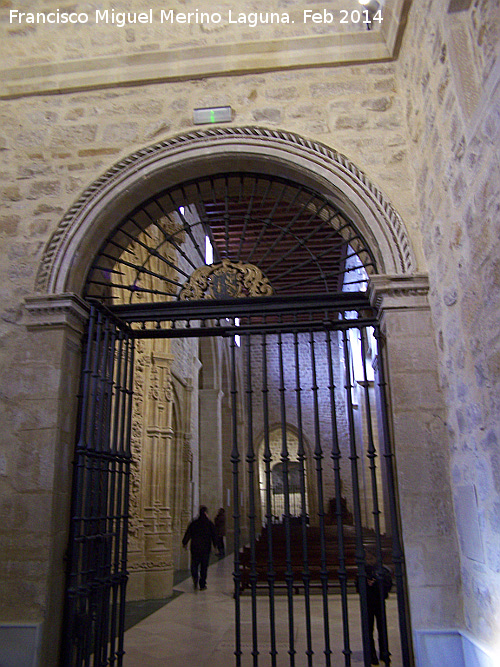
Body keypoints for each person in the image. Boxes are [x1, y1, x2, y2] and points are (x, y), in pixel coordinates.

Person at [356, 551, 393, 666]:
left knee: (382, 628)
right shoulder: (362, 571)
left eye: (371, 558)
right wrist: (366, 584)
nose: (369, 561)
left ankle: (384, 652)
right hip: (367, 603)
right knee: (368, 629)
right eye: (367, 559)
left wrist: (376, 583)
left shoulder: (383, 570)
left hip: (379, 602)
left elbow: (388, 585)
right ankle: (371, 653)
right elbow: (358, 588)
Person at [182, 506, 217, 590]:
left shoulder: (194, 523)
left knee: (194, 564)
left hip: (195, 547)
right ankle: (202, 583)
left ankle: (195, 577)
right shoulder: (209, 523)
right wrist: (215, 546)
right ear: (206, 513)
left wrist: (184, 542)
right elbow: (214, 535)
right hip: (205, 548)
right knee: (204, 567)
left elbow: (188, 533)